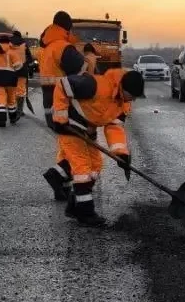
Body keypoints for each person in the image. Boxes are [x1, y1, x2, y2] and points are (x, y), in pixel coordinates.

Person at [51, 69, 145, 227]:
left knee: (96, 165)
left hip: (88, 129)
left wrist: (121, 153)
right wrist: (61, 117)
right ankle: (85, 213)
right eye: (133, 95)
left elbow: (114, 127)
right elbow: (63, 84)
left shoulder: (122, 103)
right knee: (82, 169)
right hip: (70, 126)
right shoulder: (96, 85)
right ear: (124, 88)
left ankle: (74, 205)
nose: (134, 99)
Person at [37, 11, 85, 200]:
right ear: (67, 27)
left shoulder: (46, 49)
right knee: (80, 148)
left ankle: (62, 186)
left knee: (67, 145)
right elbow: (82, 73)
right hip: (66, 105)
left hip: (51, 106)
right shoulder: (63, 48)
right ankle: (57, 175)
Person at [0, 34, 25, 127]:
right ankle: (13, 118)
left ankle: (2, 120)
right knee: (11, 100)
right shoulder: (12, 51)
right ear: (8, 42)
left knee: (0, 99)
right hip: (10, 78)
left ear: (0, 42)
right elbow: (18, 65)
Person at [10, 30, 33, 121]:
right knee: (20, 91)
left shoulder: (8, 43)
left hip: (11, 71)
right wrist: (26, 64)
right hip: (22, 71)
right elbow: (30, 58)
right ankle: (19, 110)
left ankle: (12, 109)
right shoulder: (24, 44)